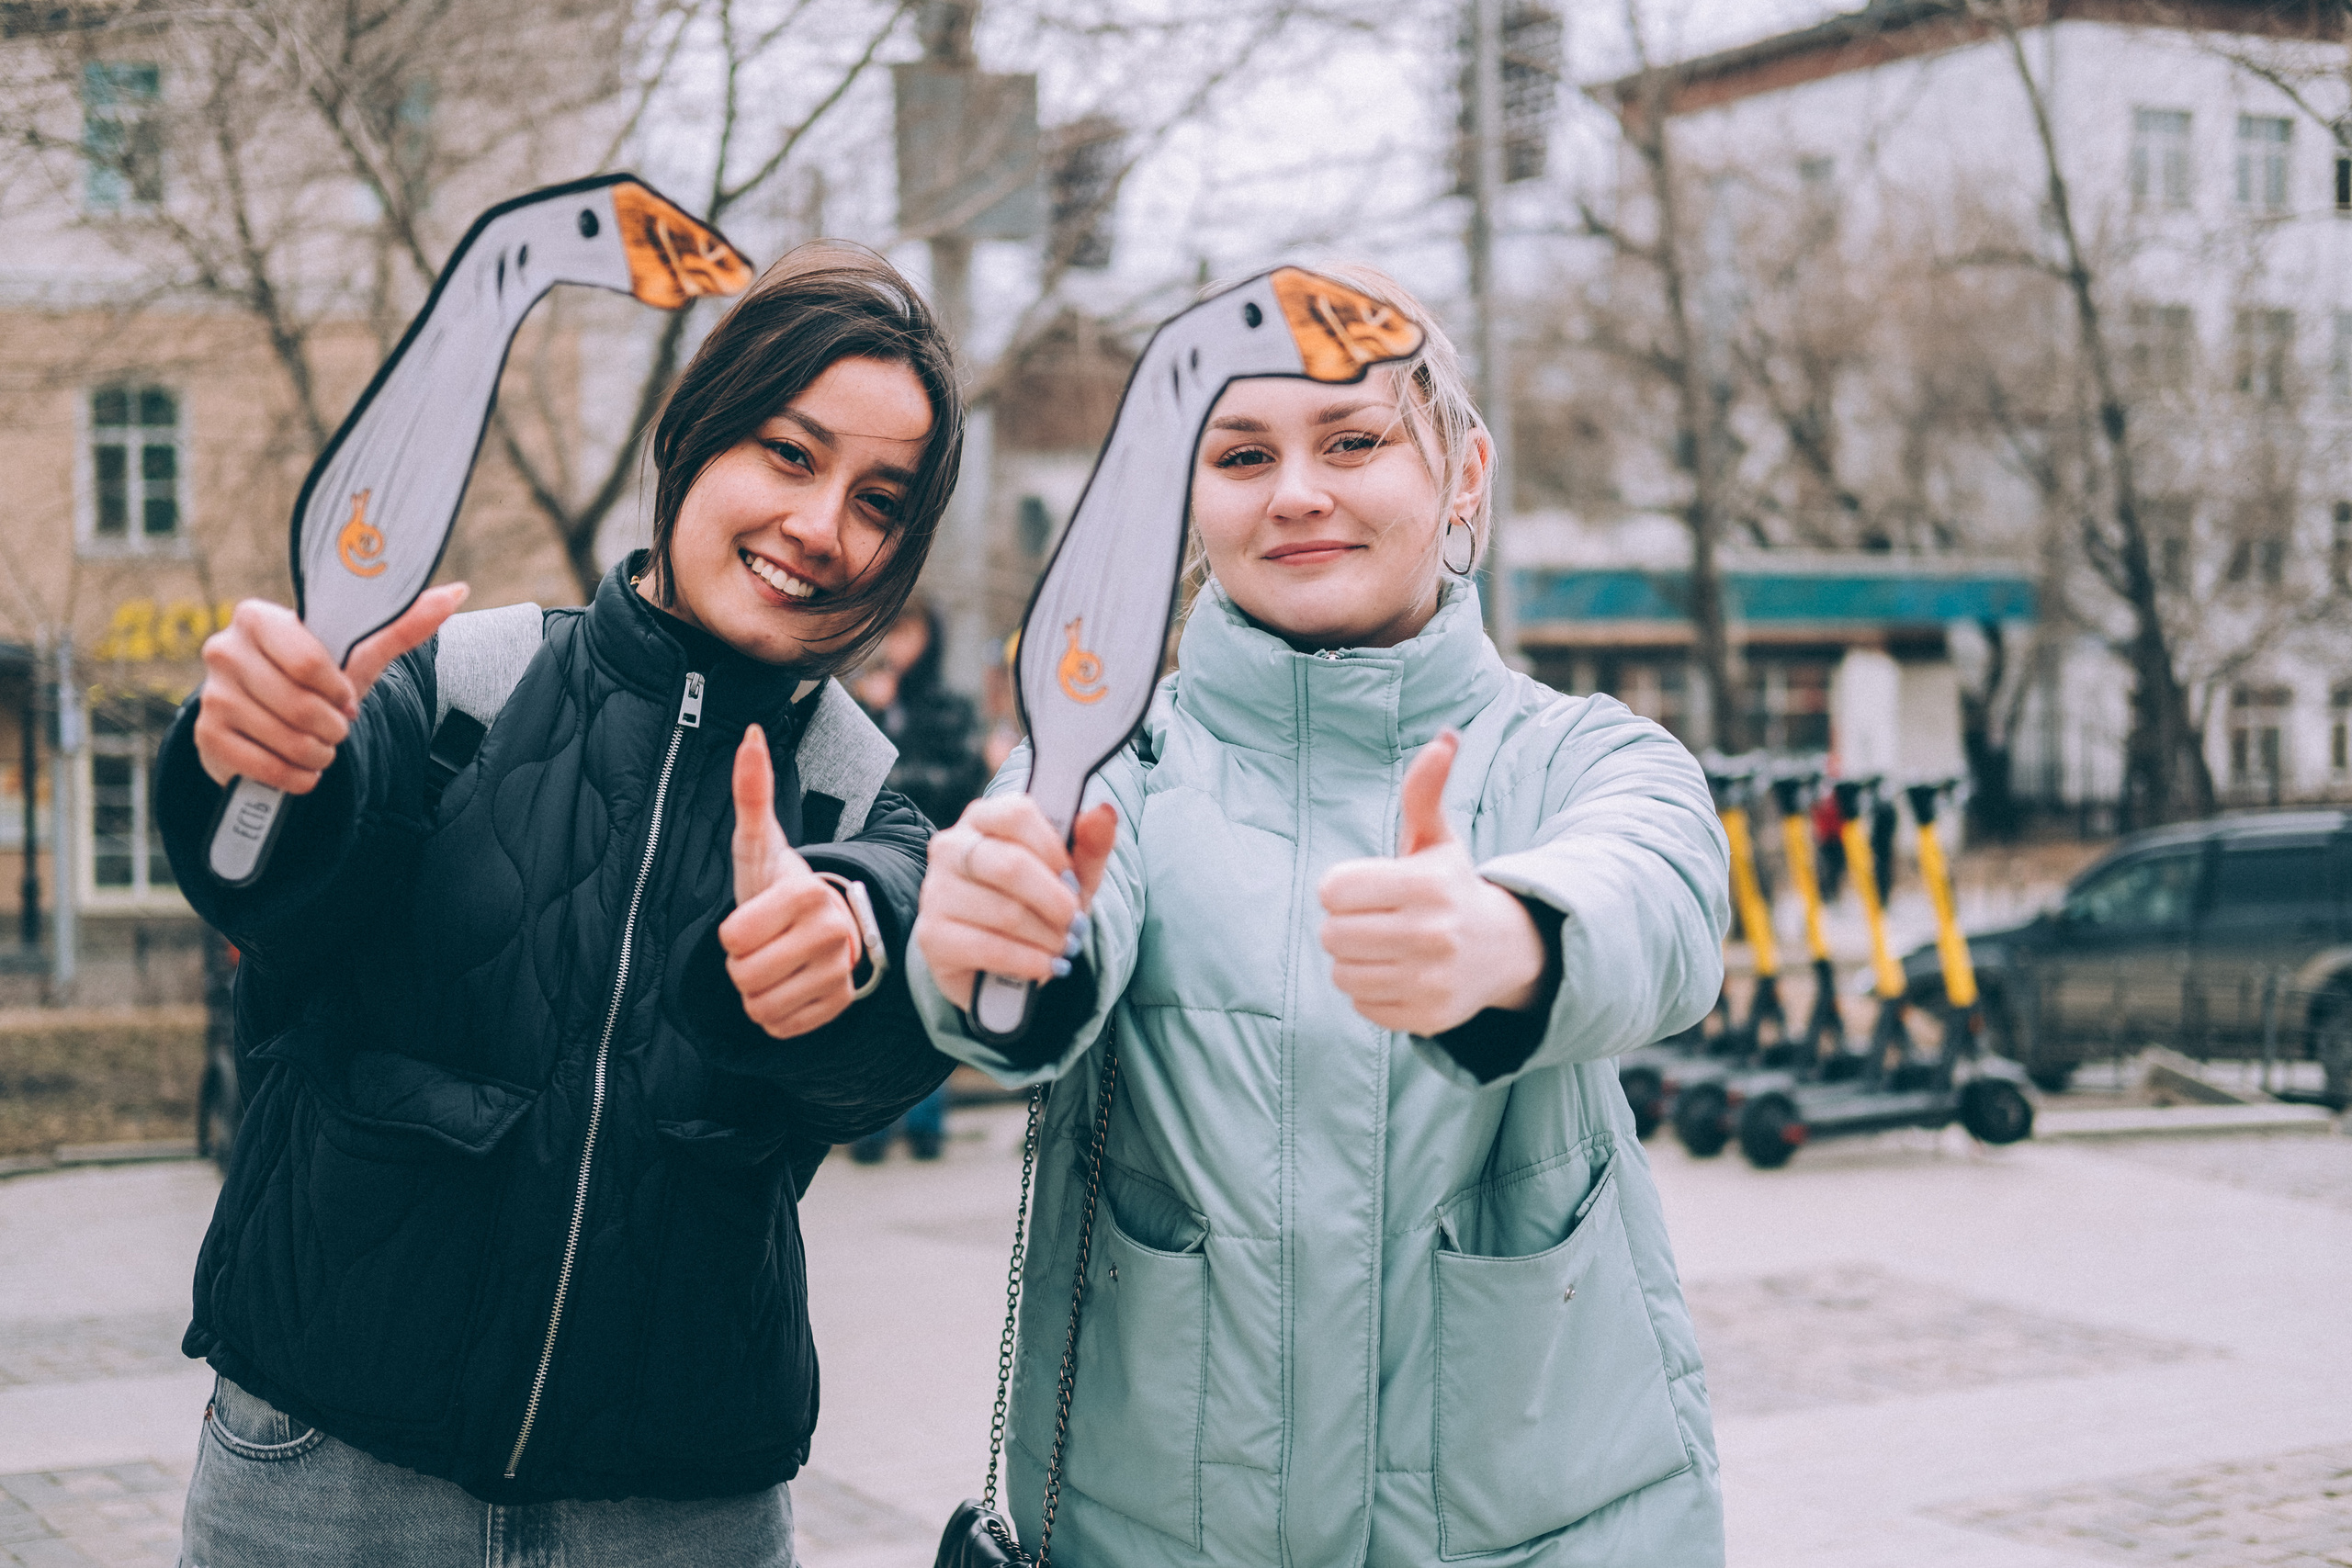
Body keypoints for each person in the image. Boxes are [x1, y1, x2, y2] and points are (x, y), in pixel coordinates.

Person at [910, 265, 1730, 1567]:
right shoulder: (1112, 760)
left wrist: (1508, 937)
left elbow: (1667, 896)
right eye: (1243, 453)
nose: (1297, 491)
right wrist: (991, 938)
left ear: (1463, 474)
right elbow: (1037, 904)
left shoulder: (1580, 754)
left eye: (1354, 440)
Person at [158, 243, 962, 1566]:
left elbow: (884, 1024)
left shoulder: (857, 797)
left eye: (880, 500)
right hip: (328, 1469)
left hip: (677, 1509)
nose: (823, 527)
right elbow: (280, 861)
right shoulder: (462, 686)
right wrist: (249, 753)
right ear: (694, 436)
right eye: (789, 452)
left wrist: (840, 959)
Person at [846, 600, 989, 1161]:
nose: (898, 645)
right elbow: (851, 775)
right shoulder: (866, 702)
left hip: (933, 862)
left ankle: (926, 1121)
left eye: (910, 632)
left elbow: (965, 775)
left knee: (930, 989)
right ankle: (869, 1125)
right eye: (893, 630)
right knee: (872, 988)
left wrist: (903, 778)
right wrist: (875, 715)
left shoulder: (947, 707)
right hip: (871, 865)